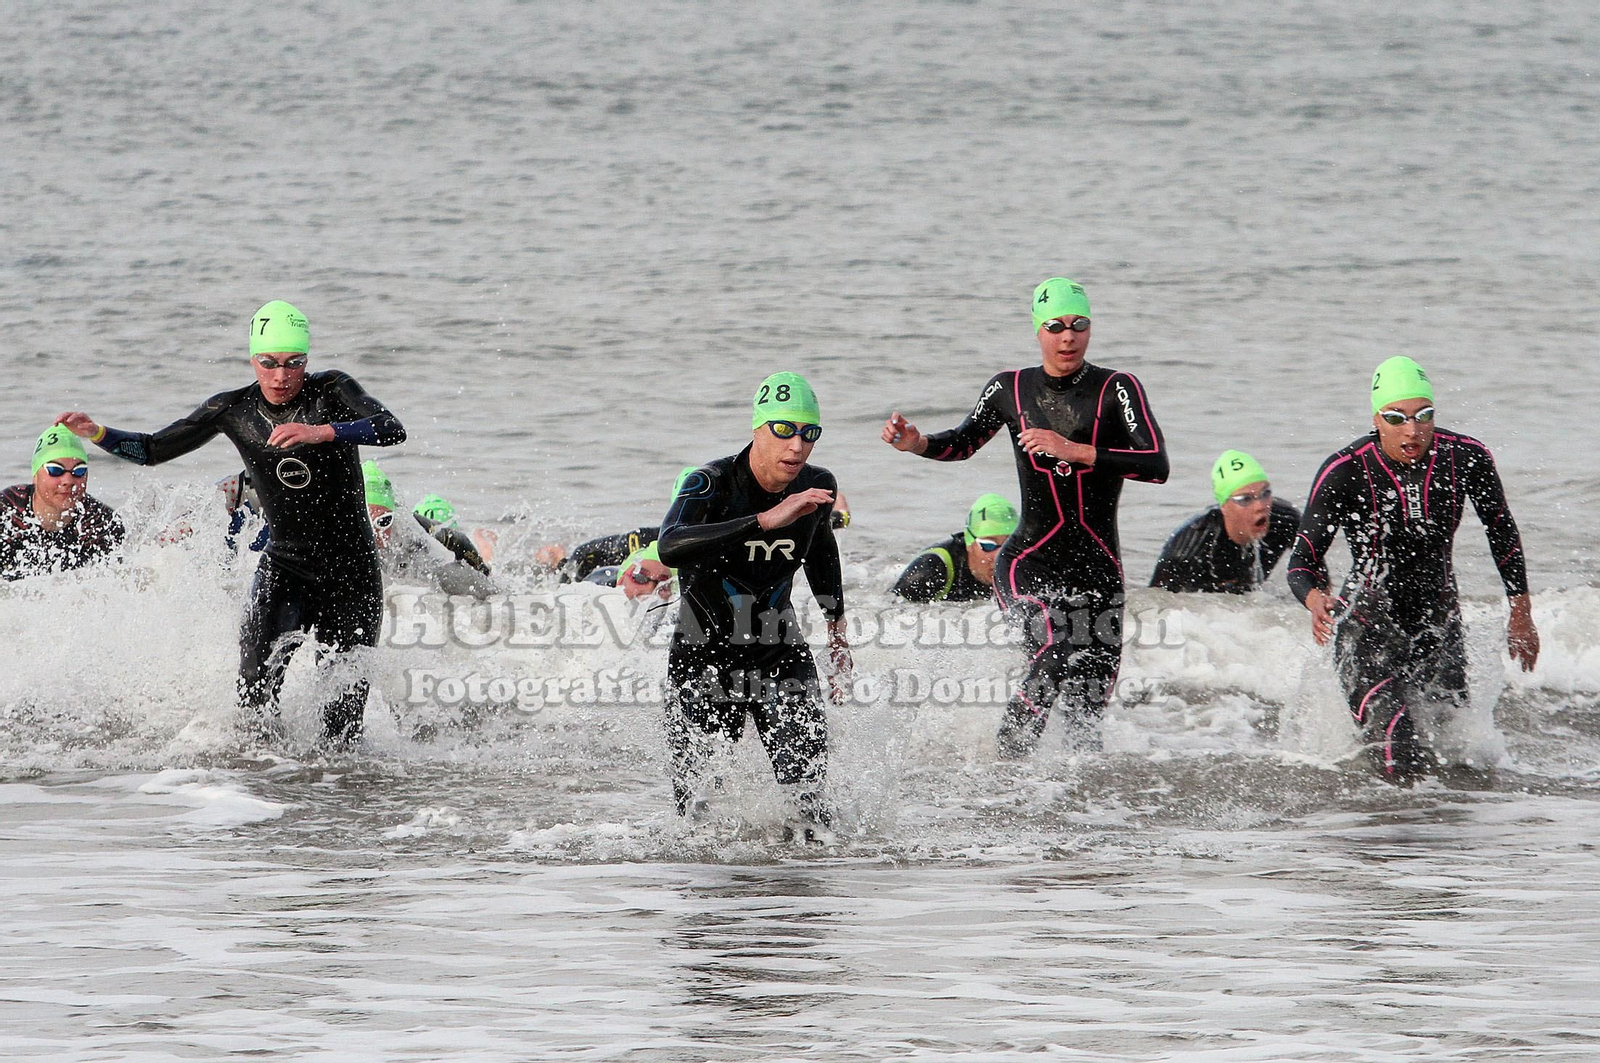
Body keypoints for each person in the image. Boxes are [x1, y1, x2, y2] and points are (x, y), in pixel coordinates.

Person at [55, 300, 406, 742]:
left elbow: (391, 428)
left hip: (351, 574)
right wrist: (98, 434)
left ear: (306, 360)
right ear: (252, 359)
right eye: (269, 363)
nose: (281, 376)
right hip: (286, 569)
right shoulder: (231, 409)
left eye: (294, 363)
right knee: (254, 706)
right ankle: (261, 792)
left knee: (341, 729)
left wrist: (322, 432)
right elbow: (152, 450)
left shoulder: (332, 391)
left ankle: (335, 803)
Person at [883, 277, 1168, 756]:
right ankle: (1007, 778)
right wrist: (919, 444)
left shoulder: (1117, 388)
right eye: (1055, 326)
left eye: (1079, 325)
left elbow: (1156, 464)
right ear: (1038, 330)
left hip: (1100, 570)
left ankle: (1072, 815)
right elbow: (963, 441)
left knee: (1086, 719)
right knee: (1052, 651)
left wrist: (1076, 450)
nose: (1068, 337)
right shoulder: (1009, 388)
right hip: (1029, 561)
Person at [1286, 356, 1539, 781]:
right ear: (1376, 419)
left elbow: (1502, 532)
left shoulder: (1465, 457)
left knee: (1462, 764)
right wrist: (1314, 600)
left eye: (1424, 416)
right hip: (1367, 631)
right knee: (1401, 757)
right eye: (1396, 417)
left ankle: (1440, 847)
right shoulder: (1346, 471)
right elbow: (1302, 562)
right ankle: (1383, 842)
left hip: (1438, 630)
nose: (1412, 430)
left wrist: (1521, 612)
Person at [658, 372, 850, 832]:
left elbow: (821, 550)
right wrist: (765, 519)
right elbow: (671, 545)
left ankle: (801, 895)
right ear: (757, 428)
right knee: (695, 819)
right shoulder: (711, 483)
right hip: (703, 654)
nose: (797, 445)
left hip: (778, 652)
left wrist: (837, 629)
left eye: (810, 433)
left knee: (811, 809)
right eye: (783, 429)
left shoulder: (817, 485)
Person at [539, 470, 852, 582]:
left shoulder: (737, 529)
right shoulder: (650, 540)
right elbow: (590, 554)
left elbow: (818, 525)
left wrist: (838, 511)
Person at [1150, 449, 1300, 593]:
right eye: (1245, 499)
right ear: (1224, 506)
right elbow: (1154, 603)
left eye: (1265, 493)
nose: (1260, 506)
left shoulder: (1286, 522)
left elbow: (1318, 582)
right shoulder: (1190, 544)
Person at [1, 424, 125, 580]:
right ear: (35, 474)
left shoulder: (101, 523)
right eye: (55, 470)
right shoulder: (6, 510)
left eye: (79, 471)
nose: (68, 480)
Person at [361, 461, 493, 597]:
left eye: (383, 521)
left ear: (394, 516)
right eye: (366, 522)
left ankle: (485, 545)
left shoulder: (411, 526)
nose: (375, 532)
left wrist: (484, 572)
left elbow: (459, 541)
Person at [891, 492, 1019, 602]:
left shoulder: (1022, 562)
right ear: (969, 544)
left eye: (1008, 546)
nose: (999, 556)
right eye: (988, 546)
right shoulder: (929, 571)